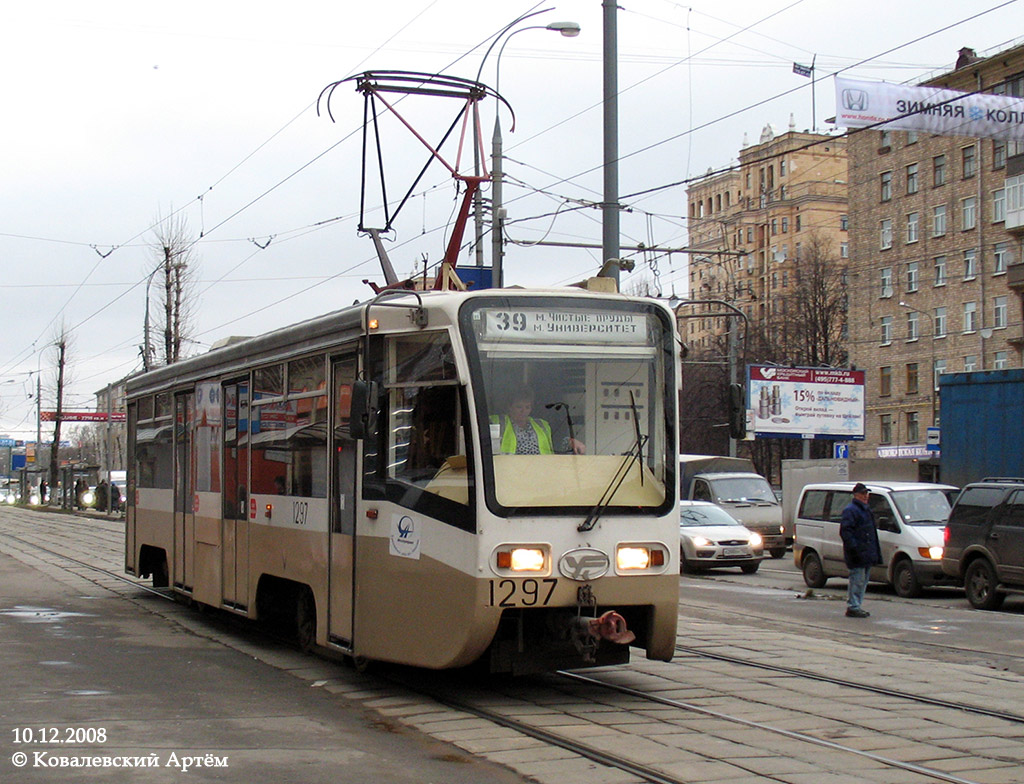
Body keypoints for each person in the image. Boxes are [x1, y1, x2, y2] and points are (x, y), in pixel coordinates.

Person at [494, 387, 585, 455]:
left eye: (527, 407)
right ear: (510, 407)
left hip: (541, 470)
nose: (523, 411)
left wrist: (572, 442)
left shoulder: (541, 424)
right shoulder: (499, 423)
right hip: (510, 471)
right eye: (519, 407)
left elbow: (556, 443)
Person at [839, 483, 882, 618]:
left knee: (863, 581)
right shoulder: (851, 510)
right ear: (856, 495)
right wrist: (854, 548)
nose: (865, 496)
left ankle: (857, 605)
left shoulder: (865, 510)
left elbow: (871, 533)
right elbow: (846, 532)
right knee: (857, 580)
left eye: (866, 494)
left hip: (866, 552)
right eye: (863, 494)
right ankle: (853, 606)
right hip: (857, 553)